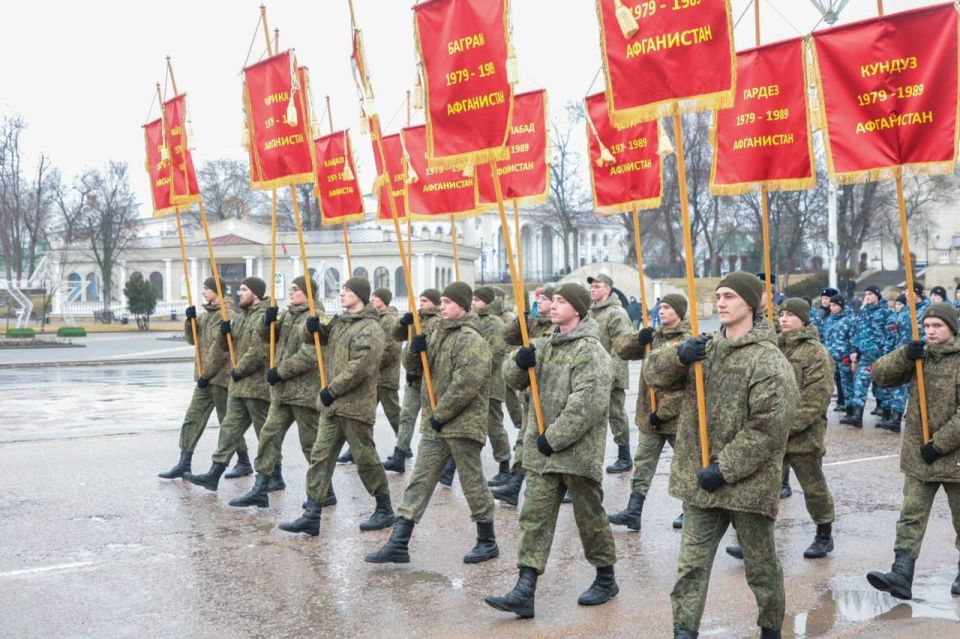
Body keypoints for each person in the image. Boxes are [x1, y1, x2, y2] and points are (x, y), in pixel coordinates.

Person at [644, 272, 798, 639]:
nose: (722, 302)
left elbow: (767, 428)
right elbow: (653, 374)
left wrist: (724, 469)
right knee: (690, 569)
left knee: (761, 569)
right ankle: (684, 631)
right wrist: (679, 356)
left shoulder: (768, 360)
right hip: (702, 486)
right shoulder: (705, 349)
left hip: (745, 486)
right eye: (719, 295)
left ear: (751, 302)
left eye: (729, 295)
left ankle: (770, 629)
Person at [484, 283, 618, 618]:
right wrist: (519, 362)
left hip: (576, 453)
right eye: (553, 300)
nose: (553, 306)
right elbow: (512, 379)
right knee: (535, 518)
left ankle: (606, 576)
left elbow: (587, 403)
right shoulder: (544, 345)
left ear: (578, 309)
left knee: (589, 518)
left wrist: (553, 438)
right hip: (543, 455)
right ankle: (525, 589)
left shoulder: (592, 351)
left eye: (561, 301)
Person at [365, 282, 499, 565]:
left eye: (449, 301)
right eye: (443, 300)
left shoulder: (471, 339)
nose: (443, 306)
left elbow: (467, 384)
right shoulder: (437, 331)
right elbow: (412, 368)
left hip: (462, 423)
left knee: (473, 483)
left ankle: (487, 540)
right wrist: (415, 350)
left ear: (462, 306)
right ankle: (399, 542)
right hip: (435, 424)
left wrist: (440, 414)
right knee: (419, 481)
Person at [279, 277, 392, 536]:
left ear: (360, 297)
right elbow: (315, 338)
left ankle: (384, 508)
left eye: (348, 291)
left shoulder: (370, 328)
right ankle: (312, 513)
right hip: (333, 406)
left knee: (365, 458)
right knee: (320, 457)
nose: (342, 294)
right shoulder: (341, 321)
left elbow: (360, 367)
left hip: (354, 405)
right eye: (342, 290)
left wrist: (331, 390)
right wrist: (311, 327)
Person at [726, 299, 837, 561]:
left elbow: (816, 401)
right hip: (772, 435)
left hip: (802, 436)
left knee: (813, 487)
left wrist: (784, 426)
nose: (784, 319)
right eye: (782, 314)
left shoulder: (816, 353)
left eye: (791, 315)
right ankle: (753, 542)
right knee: (763, 488)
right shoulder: (773, 346)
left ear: (804, 319)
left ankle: (824, 534)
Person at [868, 302, 960, 600]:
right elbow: (881, 375)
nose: (930, 331)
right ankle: (901, 574)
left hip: (953, 456)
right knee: (911, 516)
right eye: (927, 325)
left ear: (952, 329)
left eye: (937, 326)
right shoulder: (920, 356)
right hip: (920, 457)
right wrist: (905, 355)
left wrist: (940, 444)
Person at [228, 276, 326, 508]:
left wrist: (280, 372)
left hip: (303, 392)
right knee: (269, 436)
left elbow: (309, 355)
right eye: (290, 289)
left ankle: (325, 490)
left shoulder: (315, 317)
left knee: (310, 445)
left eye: (296, 289)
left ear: (308, 294)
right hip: (282, 393)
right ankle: (261, 487)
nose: (290, 292)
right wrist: (267, 322)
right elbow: (265, 338)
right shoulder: (287, 314)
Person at [608, 294, 690, 532]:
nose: (661, 311)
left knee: (685, 466)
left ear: (680, 311)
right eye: (660, 307)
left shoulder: (688, 341)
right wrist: (638, 337)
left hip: (677, 418)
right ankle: (634, 511)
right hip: (650, 417)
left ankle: (691, 511)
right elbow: (621, 348)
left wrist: (663, 412)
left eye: (667, 308)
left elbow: (687, 387)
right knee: (643, 465)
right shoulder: (652, 338)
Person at [185, 277, 271, 491]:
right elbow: (221, 345)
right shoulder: (241, 318)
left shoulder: (261, 318)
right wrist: (220, 332)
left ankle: (271, 475)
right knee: (229, 429)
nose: (239, 292)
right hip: (237, 385)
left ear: (257, 294)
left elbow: (259, 351)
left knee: (267, 434)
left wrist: (236, 371)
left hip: (253, 386)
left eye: (244, 289)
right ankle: (214, 474)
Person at [158, 277, 241, 479]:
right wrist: (190, 321)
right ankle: (184, 462)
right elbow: (191, 340)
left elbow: (222, 351)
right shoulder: (205, 315)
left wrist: (207, 374)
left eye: (207, 288)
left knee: (227, 423)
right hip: (204, 379)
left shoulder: (227, 315)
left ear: (217, 291)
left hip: (220, 378)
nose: (203, 292)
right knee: (192, 419)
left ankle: (244, 461)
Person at [493, 286, 556, 506]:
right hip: (530, 394)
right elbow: (508, 337)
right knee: (524, 441)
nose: (540, 303)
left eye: (544, 299)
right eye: (537, 299)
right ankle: (515, 485)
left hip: (551, 395)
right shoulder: (533, 324)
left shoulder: (557, 327)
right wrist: (522, 319)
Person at [382, 289, 442, 474]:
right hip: (414, 379)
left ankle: (445, 461)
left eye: (425, 300)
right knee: (406, 416)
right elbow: (396, 335)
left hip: (431, 380)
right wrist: (403, 322)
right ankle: (400, 454)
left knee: (433, 420)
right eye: (420, 299)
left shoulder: (439, 322)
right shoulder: (417, 318)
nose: (421, 303)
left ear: (435, 302)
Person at [587, 274, 633, 474]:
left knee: (616, 414)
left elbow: (621, 346)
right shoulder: (590, 312)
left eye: (597, 286)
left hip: (611, 373)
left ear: (608, 289)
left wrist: (611, 375)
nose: (593, 290)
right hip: (592, 373)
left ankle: (625, 456)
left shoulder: (616, 313)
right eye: (592, 287)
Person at [840, 285, 896, 428]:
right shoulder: (863, 313)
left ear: (877, 295)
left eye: (870, 294)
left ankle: (887, 415)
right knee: (860, 386)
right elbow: (856, 333)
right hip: (865, 356)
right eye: (866, 294)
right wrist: (854, 351)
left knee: (883, 388)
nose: (867, 296)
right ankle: (857, 416)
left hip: (881, 357)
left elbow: (891, 335)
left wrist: (886, 354)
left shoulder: (886, 313)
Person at [473, 286, 511, 487]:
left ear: (487, 302)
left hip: (491, 382)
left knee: (493, 425)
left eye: (477, 300)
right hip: (476, 382)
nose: (473, 303)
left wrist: (475, 369)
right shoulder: (475, 320)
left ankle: (505, 465)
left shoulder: (494, 322)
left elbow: (494, 353)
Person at [879, 294, 912, 433]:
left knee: (904, 388)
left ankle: (897, 418)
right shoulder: (898, 317)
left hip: (909, 354)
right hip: (900, 354)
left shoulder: (909, 316)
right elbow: (893, 337)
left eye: (900, 304)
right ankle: (895, 418)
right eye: (896, 304)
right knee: (900, 388)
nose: (897, 306)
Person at [495, 286, 524, 432]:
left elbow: (514, 340)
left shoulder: (508, 317)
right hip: (494, 361)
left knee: (509, 394)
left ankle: (519, 422)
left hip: (506, 358)